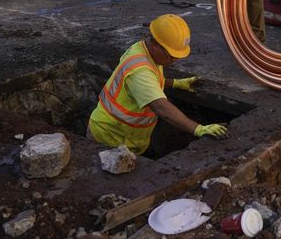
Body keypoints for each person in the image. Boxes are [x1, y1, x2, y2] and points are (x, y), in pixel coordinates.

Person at [87, 14, 228, 155]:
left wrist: (175, 83)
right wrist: (198, 129)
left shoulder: (142, 50)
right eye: (171, 55)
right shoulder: (140, 71)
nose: (174, 60)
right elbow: (161, 107)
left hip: (128, 137)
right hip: (110, 140)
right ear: (155, 45)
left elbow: (147, 83)